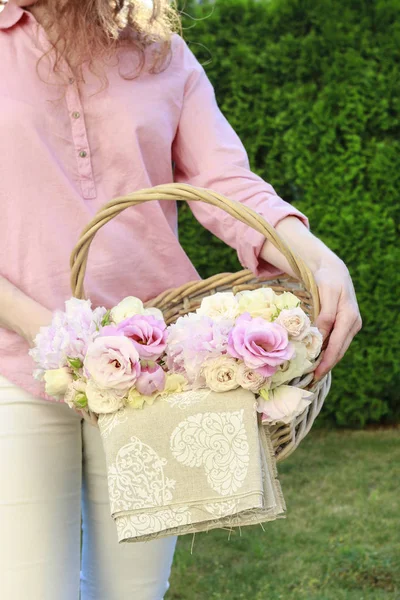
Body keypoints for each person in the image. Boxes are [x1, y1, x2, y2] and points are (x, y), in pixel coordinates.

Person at [0, 0, 362, 598]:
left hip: (154, 373)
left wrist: (317, 257)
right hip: (12, 367)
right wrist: (55, 336)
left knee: (135, 593)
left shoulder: (156, 47)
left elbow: (226, 181)